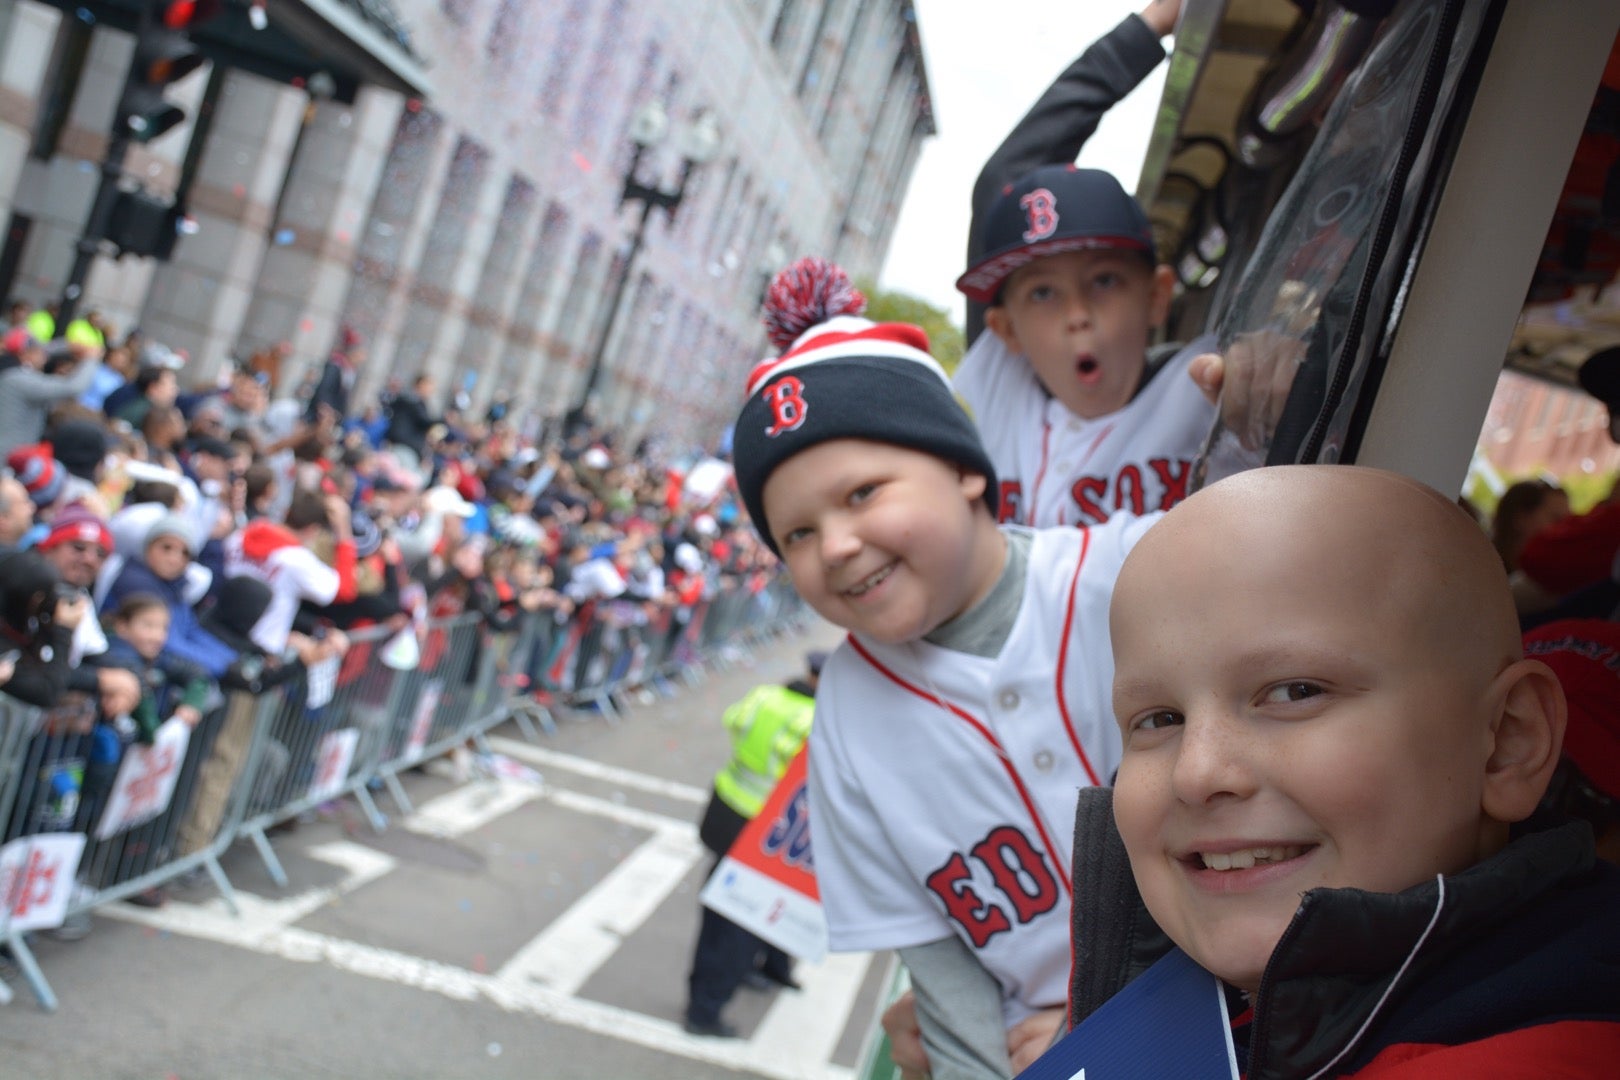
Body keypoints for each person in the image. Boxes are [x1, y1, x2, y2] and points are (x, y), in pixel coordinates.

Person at [1087, 465, 1620, 1076]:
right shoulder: (1171, 1000)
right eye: (1158, 719)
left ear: (1506, 741)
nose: (1197, 772)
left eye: (1294, 691)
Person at [731, 317, 1157, 1077]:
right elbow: (943, 983)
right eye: (795, 533)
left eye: (862, 492)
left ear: (963, 467)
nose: (834, 546)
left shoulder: (1136, 571)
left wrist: (1113, 1013)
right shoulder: (848, 720)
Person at [953, 0, 1214, 528]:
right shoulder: (1006, 385)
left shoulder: (1206, 385)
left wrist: (1270, 368)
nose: (1077, 313)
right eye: (1043, 293)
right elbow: (1003, 178)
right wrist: (1145, 31)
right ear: (1005, 329)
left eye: (1104, 280)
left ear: (1157, 296)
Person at [683, 650, 822, 1038]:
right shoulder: (814, 721)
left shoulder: (766, 696)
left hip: (727, 811)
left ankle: (764, 969)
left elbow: (734, 721)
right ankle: (704, 1012)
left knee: (726, 916)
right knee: (735, 927)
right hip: (768, 832)